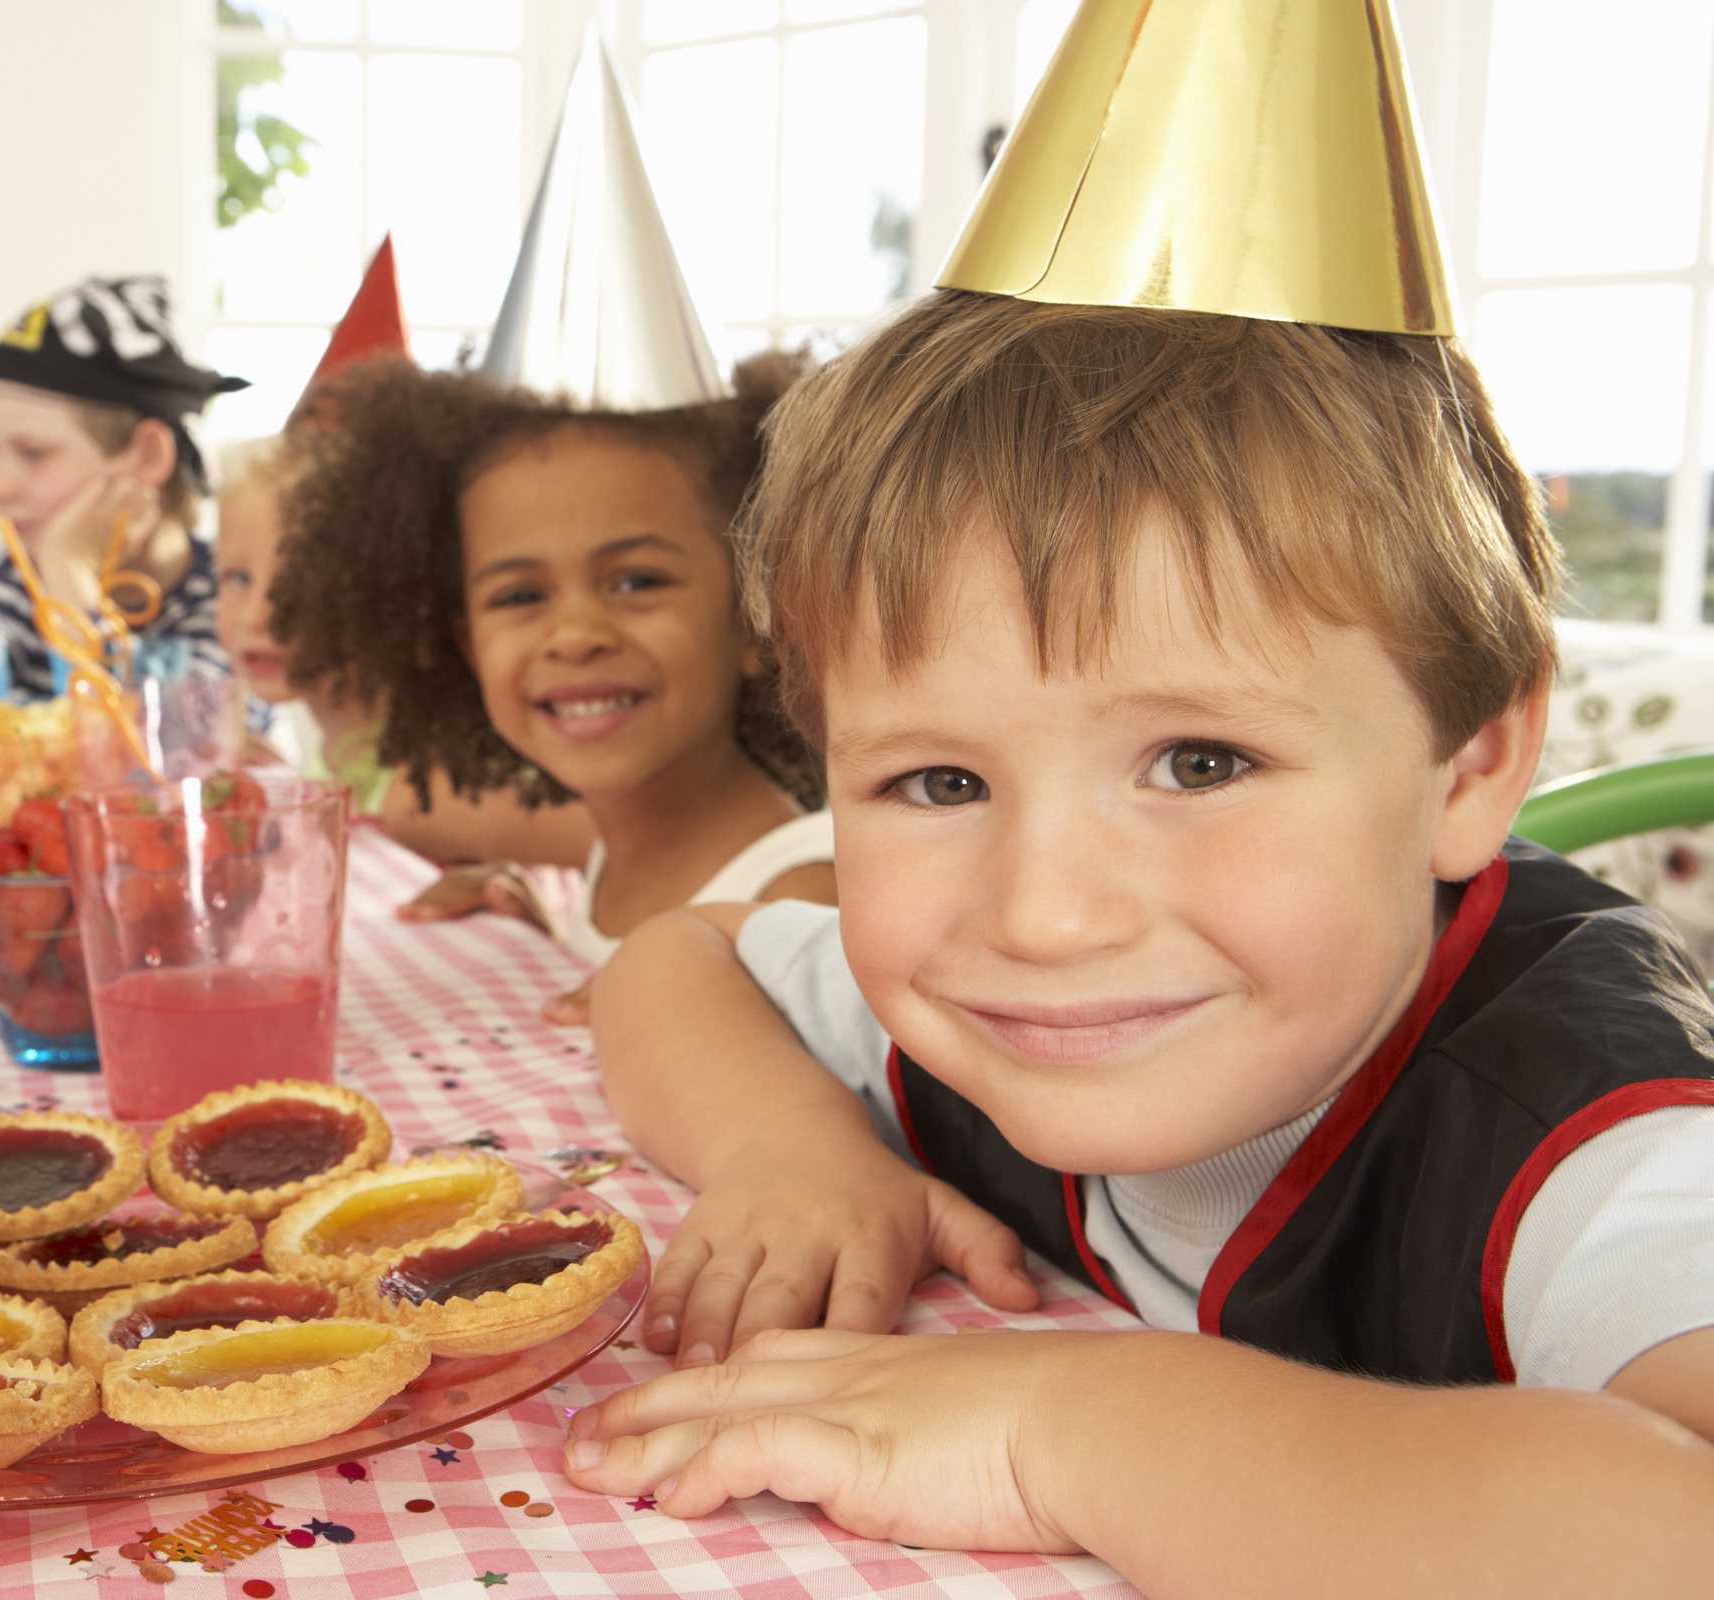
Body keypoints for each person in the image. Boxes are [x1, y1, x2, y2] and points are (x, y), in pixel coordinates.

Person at [565, 287, 1714, 1590]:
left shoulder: (1608, 1155)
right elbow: (677, 958)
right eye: (942, 783)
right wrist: (793, 1152)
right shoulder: (969, 1014)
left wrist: (1057, 1426)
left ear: (1470, 766)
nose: (1043, 918)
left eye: (1200, 760)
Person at [271, 355, 835, 1019]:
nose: (574, 635)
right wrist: (545, 938)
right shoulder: (614, 854)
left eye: (636, 581)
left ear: (753, 618)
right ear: (469, 648)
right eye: (521, 595)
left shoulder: (800, 906)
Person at [215, 433, 595, 868]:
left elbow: (617, 840)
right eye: (238, 578)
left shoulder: (433, 788)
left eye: (299, 585)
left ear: (397, 594)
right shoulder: (333, 758)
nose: (257, 616)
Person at [0, 275, 245, 696]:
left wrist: (69, 570)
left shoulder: (233, 594)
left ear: (148, 456)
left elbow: (167, 746)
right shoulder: (15, 578)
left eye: (34, 453)